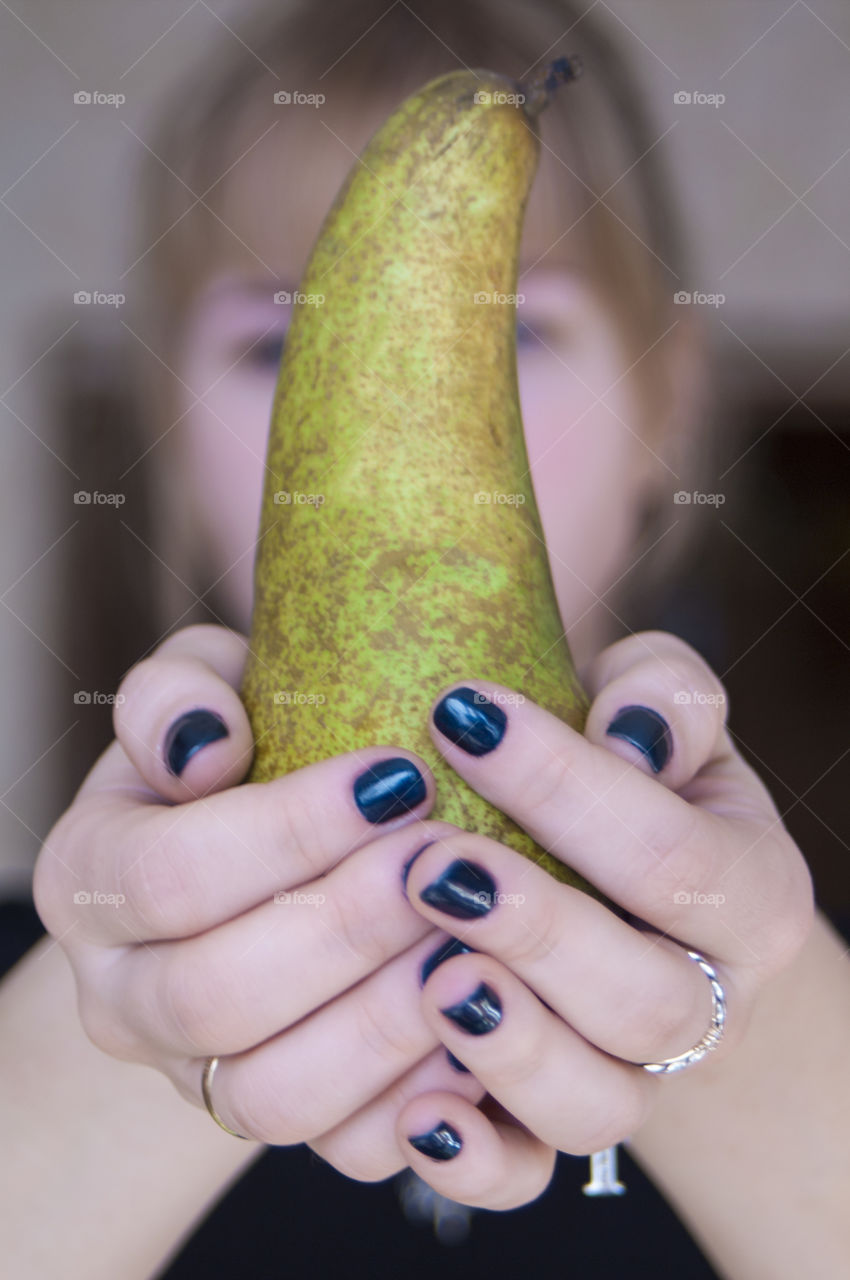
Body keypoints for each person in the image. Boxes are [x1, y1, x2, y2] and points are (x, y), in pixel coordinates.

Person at [3, 1, 848, 1277]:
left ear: (665, 410)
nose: (400, 423)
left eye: (512, 330)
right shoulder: (47, 962)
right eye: (282, 341)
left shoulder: (819, 972)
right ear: (172, 426)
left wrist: (740, 1007)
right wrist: (125, 1021)